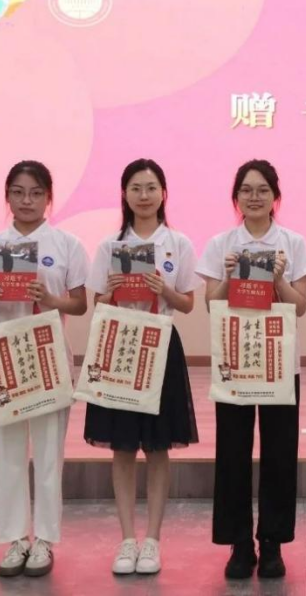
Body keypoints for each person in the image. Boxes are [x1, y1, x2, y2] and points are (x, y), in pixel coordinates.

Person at [0, 161, 89, 578]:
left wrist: (51, 299)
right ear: (7, 196)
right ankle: (15, 538)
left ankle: (44, 540)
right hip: (5, 355)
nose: (26, 201)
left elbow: (80, 303)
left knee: (49, 452)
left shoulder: (67, 243)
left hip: (48, 354)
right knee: (9, 451)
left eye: (36, 193)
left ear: (48, 198)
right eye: (18, 192)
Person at [197, 159, 306, 580]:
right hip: (235, 358)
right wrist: (228, 277)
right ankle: (239, 543)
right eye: (246, 190)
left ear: (275, 196)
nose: (254, 197)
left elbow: (300, 306)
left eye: (263, 190)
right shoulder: (221, 244)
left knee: (280, 452)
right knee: (232, 452)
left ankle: (272, 543)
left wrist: (279, 280)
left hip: (279, 360)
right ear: (236, 197)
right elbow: (211, 303)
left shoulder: (293, 243)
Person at [85, 159, 201, 576]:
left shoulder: (178, 243)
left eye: (151, 187)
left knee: (157, 446)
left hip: (160, 342)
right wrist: (112, 293)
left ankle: (152, 539)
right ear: (124, 194)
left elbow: (187, 303)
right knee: (121, 446)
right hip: (119, 344)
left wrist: (162, 288)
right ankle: (126, 539)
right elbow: (96, 302)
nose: (144, 195)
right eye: (136, 188)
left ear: (163, 193)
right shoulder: (109, 246)